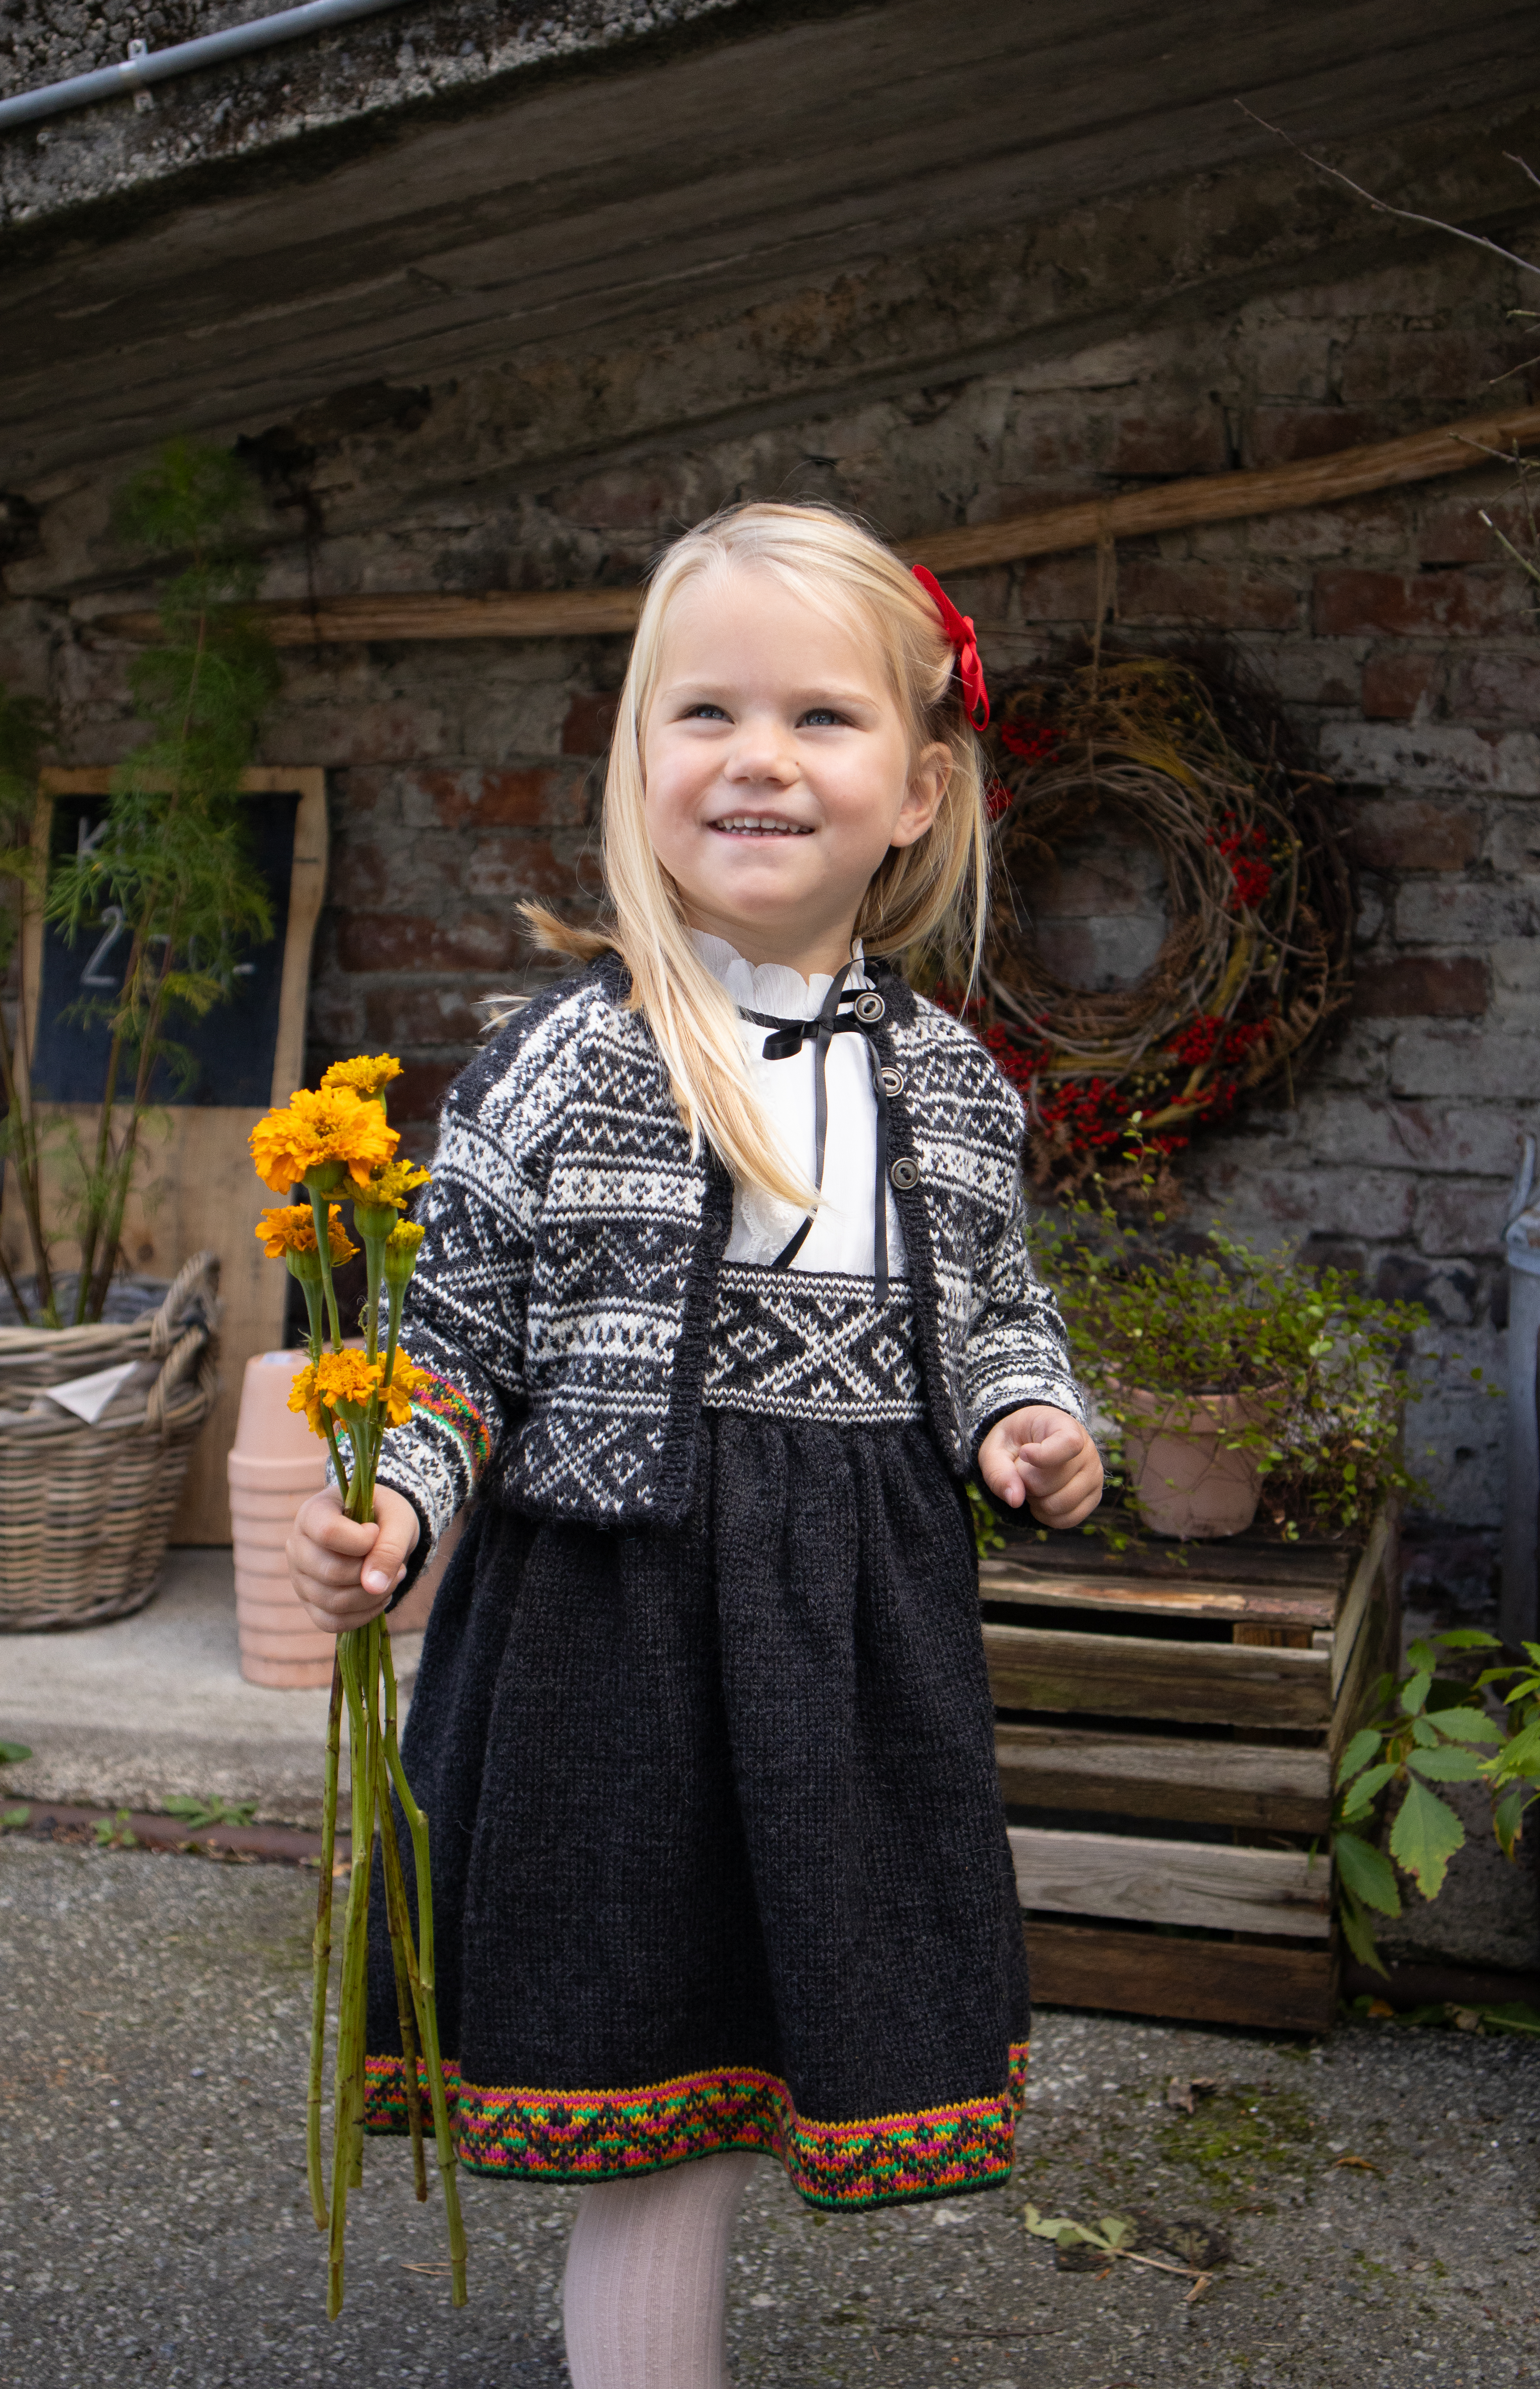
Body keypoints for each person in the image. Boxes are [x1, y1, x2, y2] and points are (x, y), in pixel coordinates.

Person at [286, 500, 1104, 2386]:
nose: (756, 759)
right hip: (615, 1626)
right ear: (638, 762)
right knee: (643, 2080)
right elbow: (456, 1346)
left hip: (846, 1631)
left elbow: (988, 1312)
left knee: (775, 2015)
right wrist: (392, 1512)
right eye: (701, 713)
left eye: (820, 719)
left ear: (920, 788)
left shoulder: (954, 1089)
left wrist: (1037, 1423)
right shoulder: (564, 1059)